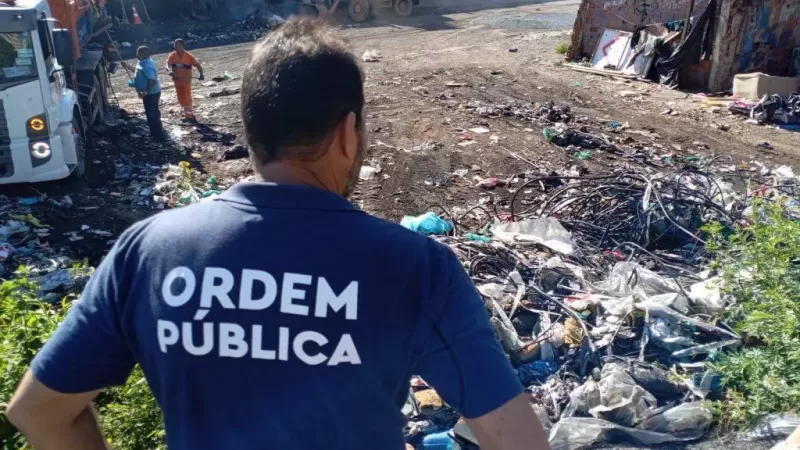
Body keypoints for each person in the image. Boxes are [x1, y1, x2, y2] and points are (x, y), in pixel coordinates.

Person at [6, 18, 551, 450]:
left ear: (252, 130)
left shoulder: (147, 251)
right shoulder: (417, 269)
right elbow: (518, 441)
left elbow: (37, 411)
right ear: (348, 131)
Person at [123, 46, 164, 141]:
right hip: (148, 93)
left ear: (146, 54)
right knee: (150, 113)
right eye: (137, 51)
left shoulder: (147, 64)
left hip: (152, 93)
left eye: (139, 52)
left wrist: (146, 91)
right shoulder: (142, 62)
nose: (137, 53)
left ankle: (158, 135)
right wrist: (127, 66)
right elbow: (137, 71)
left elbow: (152, 80)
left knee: (152, 113)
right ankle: (154, 133)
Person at [166, 39, 204, 121]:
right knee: (180, 97)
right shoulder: (172, 55)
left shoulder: (188, 56)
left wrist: (201, 74)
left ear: (183, 46)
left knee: (186, 96)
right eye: (175, 45)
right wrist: (169, 70)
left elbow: (197, 65)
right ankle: (186, 112)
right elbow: (167, 64)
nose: (176, 47)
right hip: (177, 80)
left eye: (178, 45)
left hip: (186, 80)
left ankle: (189, 115)